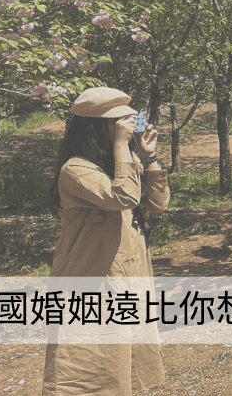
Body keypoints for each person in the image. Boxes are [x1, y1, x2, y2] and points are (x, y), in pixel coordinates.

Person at [43, 87, 170, 395]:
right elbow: (123, 197)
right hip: (91, 279)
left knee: (125, 358)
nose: (127, 128)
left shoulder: (121, 163)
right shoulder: (76, 170)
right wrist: (121, 146)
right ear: (97, 128)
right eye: (119, 123)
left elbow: (157, 204)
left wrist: (149, 155)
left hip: (128, 276)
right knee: (90, 362)